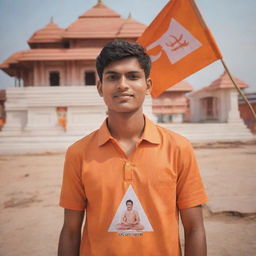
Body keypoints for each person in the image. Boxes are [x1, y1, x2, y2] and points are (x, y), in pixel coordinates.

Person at [58, 40, 208, 256]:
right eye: (112, 77)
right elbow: (71, 232)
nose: (122, 85)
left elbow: (194, 229)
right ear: (100, 87)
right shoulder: (78, 153)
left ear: (147, 86)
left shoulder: (178, 148)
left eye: (132, 76)